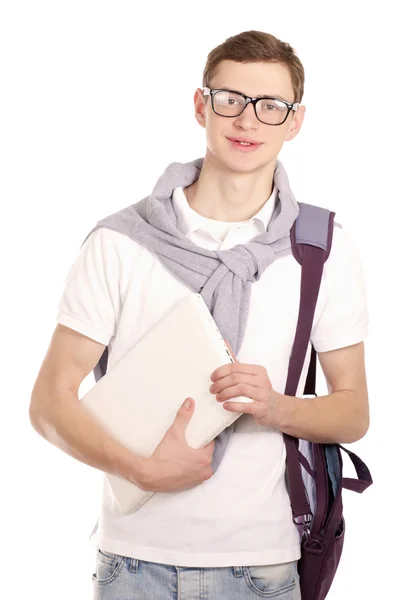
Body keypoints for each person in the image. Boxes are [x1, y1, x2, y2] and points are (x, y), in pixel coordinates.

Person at [29, 30, 369, 600]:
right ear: (200, 105)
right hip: (135, 563)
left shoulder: (322, 248)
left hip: (263, 565)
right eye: (230, 99)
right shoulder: (119, 242)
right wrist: (138, 470)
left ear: (295, 122)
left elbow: (353, 411)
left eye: (271, 106)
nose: (248, 120)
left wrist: (276, 406)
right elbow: (48, 403)